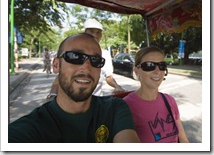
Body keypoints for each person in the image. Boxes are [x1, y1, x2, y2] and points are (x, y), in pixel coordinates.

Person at [8, 33, 140, 143]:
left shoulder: (114, 108)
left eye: (95, 60)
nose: (87, 67)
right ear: (56, 65)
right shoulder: (26, 130)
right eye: (75, 57)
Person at [123, 46, 189, 143]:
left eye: (161, 65)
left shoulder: (170, 100)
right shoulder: (125, 106)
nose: (157, 71)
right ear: (137, 71)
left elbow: (183, 139)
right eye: (149, 65)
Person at [47, 18, 125, 100]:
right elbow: (61, 76)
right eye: (91, 31)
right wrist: (52, 95)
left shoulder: (105, 54)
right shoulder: (71, 47)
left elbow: (108, 77)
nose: (86, 68)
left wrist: (117, 87)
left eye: (97, 61)